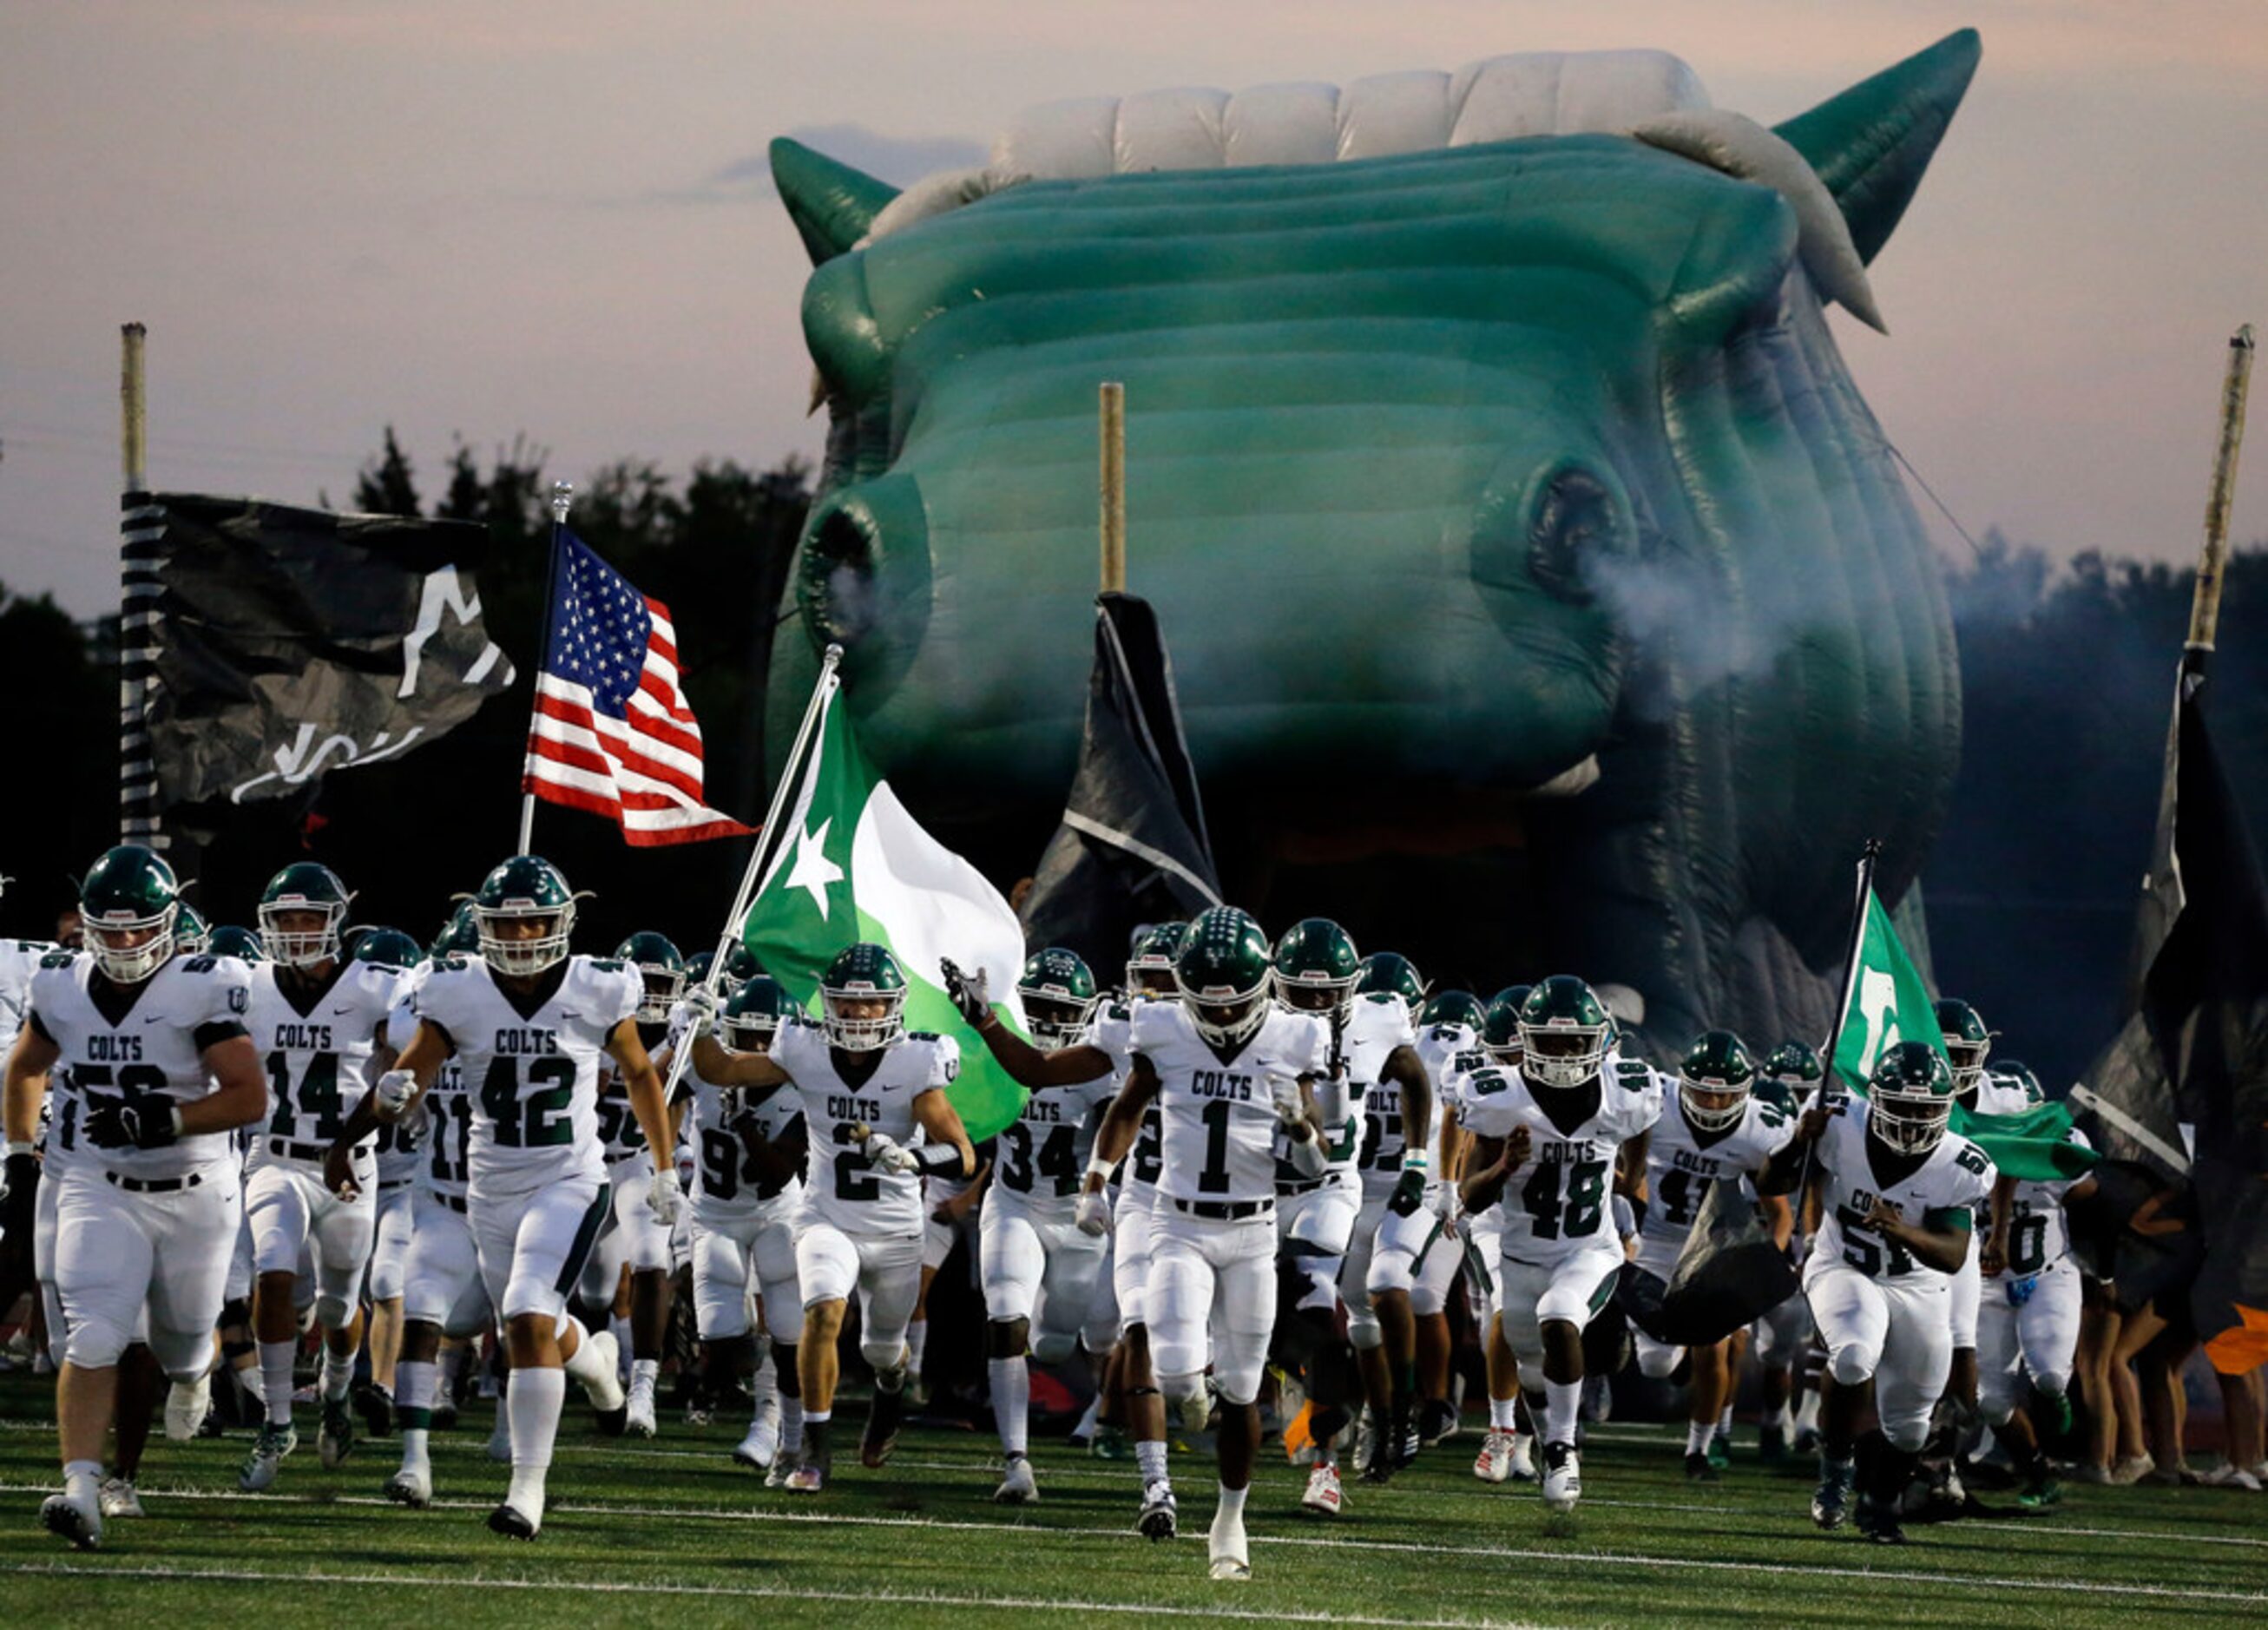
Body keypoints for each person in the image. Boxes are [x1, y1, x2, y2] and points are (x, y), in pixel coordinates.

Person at [325, 855, 671, 1539]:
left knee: (524, 1310)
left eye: (534, 923)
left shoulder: (598, 988)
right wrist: (354, 1132)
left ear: (562, 922)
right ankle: (599, 1367)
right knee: (531, 1325)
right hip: (488, 1188)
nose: (520, 938)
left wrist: (663, 1167)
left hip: (569, 1178)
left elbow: (638, 1074)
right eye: (506, 926)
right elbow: (406, 1079)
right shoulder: (458, 992)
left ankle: (526, 1492)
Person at [3, 845, 268, 1549]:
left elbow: (249, 1095)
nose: (122, 943)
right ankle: (81, 1490)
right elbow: (25, 1066)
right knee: (93, 1334)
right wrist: (21, 1148)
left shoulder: (201, 984)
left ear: (167, 923)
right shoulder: (60, 983)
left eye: (136, 928)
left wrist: (167, 1118)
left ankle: (194, 1377)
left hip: (193, 1189)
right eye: (108, 928)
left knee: (182, 1342)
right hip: (100, 1182)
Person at [1071, 905, 1329, 1581]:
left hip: (1250, 1229)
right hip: (1176, 1221)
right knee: (1182, 1376)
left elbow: (1315, 1163)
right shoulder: (1160, 1028)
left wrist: (1300, 1131)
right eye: (1206, 1006)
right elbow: (1126, 1107)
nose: (1218, 1018)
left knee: (1241, 1390)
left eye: (1232, 1006)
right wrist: (1096, 1179)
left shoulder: (1295, 1036)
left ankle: (1228, 1519)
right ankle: (1184, 1432)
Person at [687, 942, 976, 1494]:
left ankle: (889, 1391)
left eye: (869, 1006)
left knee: (882, 1352)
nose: (857, 1015)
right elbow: (721, 1069)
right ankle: (814, 1453)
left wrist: (913, 1157)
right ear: (827, 1005)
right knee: (821, 1314)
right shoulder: (806, 1049)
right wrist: (699, 1028)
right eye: (846, 1004)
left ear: (894, 1007)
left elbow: (961, 1152)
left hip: (894, 1231)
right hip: (825, 1218)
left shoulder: (915, 1061)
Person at [1767, 1041, 1995, 1544]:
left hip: (1918, 1284)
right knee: (1852, 1356)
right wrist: (1796, 1145)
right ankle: (1836, 1470)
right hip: (1843, 1266)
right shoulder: (1839, 1119)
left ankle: (1879, 1506)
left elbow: (1953, 1253)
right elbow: (1771, 1179)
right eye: (1904, 1106)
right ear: (1876, 1099)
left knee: (1911, 1427)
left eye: (1926, 1109)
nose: (1914, 1120)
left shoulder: (1958, 1162)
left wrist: (1903, 1231)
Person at [1454, 975, 1660, 1514]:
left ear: (1597, 1041)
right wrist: (1504, 1166)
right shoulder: (1501, 1098)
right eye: (1551, 1041)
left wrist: (1629, 1174)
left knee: (1561, 1316)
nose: (1565, 1053)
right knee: (1529, 1369)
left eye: (1575, 1042)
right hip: (1522, 1256)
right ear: (1527, 1040)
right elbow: (1470, 1197)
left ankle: (1563, 1450)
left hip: (1587, 1250)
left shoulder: (1625, 1089)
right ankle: (1541, 1431)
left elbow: (1643, 1125)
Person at [237, 863, 411, 1489]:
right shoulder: (247, 985)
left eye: (310, 917)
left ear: (336, 921)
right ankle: (277, 1417)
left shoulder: (374, 987)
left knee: (340, 1305)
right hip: (275, 1158)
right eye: (286, 918)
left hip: (350, 1166)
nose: (298, 929)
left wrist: (391, 1086)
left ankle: (336, 1396)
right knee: (273, 1271)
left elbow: (407, 1065)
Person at [950, 949, 1117, 1504]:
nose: (1048, 1021)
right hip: (1014, 1203)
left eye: (1059, 1009)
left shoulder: (1096, 1063)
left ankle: (1081, 1391)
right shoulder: (993, 1052)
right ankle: (1017, 1462)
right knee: (1006, 1318)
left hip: (1076, 1218)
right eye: (1039, 1007)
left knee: (1053, 1342)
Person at [1627, 1030, 1796, 1480]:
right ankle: (1668, 1353)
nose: (1714, 1104)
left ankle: (1699, 1449)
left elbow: (1780, 1212)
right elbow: (1628, 1172)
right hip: (1654, 1239)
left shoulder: (1762, 1128)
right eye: (1702, 1091)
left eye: (1725, 1096)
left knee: (1714, 1349)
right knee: (1655, 1363)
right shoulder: (1654, 1103)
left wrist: (1762, 1263)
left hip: (1714, 1248)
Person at [373, 907, 492, 1509]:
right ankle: (414, 1461)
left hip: (510, 1201)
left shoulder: (538, 1022)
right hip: (439, 1196)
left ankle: (599, 1382)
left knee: (531, 1321)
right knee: (420, 1308)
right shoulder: (413, 1024)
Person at [681, 976, 808, 1479]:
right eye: (746, 1037)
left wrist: (744, 1125)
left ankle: (778, 1435)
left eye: (767, 1039)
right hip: (714, 1213)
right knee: (724, 1347)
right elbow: (651, 1080)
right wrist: (684, 1032)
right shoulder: (709, 1067)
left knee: (788, 1330)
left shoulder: (799, 1086)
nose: (757, 1049)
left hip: (777, 1212)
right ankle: (727, 1382)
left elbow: (780, 1171)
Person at [574, 930, 687, 1436]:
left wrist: (696, 1038)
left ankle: (643, 1389)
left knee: (650, 1259)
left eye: (663, 984)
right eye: (645, 983)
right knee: (595, 1292)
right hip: (591, 1161)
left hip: (641, 1161)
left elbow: (671, 1097)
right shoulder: (594, 1022)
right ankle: (601, 1372)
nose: (654, 995)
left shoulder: (682, 1033)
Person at [1973, 1061, 2094, 1508]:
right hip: (1988, 1286)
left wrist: (2102, 1267)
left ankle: (2057, 1396)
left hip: (2048, 1276)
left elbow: (2090, 1199)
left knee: (2046, 1374)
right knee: (1990, 1401)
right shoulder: (1968, 1146)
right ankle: (2039, 1473)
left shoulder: (2060, 1147)